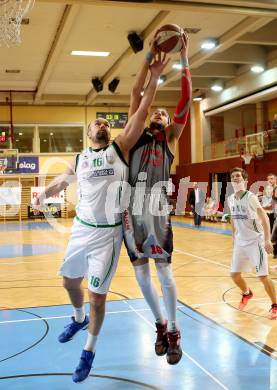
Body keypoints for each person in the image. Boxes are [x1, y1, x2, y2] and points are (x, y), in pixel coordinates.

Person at [33, 53, 169, 383]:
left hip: (107, 235)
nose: (102, 124)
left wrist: (153, 77)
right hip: (81, 229)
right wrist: (43, 194)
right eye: (98, 123)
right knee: (68, 281)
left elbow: (140, 112)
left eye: (106, 123)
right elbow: (61, 183)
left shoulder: (119, 149)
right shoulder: (80, 158)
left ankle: (88, 352)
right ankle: (77, 318)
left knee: (97, 298)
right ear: (89, 132)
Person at [123, 30, 191, 365]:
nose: (159, 114)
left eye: (164, 114)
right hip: (131, 207)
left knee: (164, 273)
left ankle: (175, 329)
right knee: (140, 274)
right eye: (156, 112)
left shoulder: (172, 138)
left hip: (158, 208)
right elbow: (136, 92)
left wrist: (184, 59)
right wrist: (148, 58)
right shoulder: (135, 133)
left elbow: (186, 101)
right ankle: (160, 324)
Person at [228, 167, 277, 319]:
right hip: (240, 241)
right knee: (234, 275)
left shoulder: (250, 196)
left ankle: (276, 304)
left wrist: (267, 239)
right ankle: (247, 293)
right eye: (233, 176)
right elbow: (233, 217)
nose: (235, 178)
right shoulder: (231, 198)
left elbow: (264, 217)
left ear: (245, 180)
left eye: (238, 176)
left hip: (255, 241)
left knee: (263, 276)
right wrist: (234, 235)